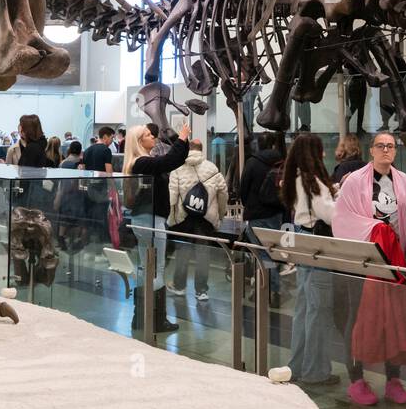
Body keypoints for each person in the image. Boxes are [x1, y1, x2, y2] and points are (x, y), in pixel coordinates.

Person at [334, 131, 406, 405]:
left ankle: (393, 378)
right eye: (380, 146)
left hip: (395, 262)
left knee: (393, 319)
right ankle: (356, 378)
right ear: (371, 150)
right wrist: (377, 230)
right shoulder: (355, 181)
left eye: (390, 146)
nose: (385, 150)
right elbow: (342, 219)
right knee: (358, 319)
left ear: (395, 151)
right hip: (364, 262)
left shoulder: (403, 180)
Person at [280, 133, 338, 387]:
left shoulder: (294, 179)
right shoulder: (313, 181)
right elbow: (329, 215)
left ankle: (298, 365)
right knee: (318, 310)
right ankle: (316, 370)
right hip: (317, 245)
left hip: (302, 240)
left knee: (304, 308)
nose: (324, 153)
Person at [123, 121, 191, 333]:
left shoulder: (140, 163)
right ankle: (155, 318)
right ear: (139, 141)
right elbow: (170, 160)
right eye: (147, 135)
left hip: (147, 220)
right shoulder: (142, 163)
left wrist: (183, 141)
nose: (152, 137)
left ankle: (142, 317)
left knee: (147, 269)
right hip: (150, 221)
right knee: (156, 271)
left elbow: (171, 161)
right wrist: (181, 138)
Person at [167, 139, 229, 302]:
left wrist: (173, 219)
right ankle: (201, 290)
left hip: (183, 218)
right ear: (202, 150)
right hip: (206, 219)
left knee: (183, 252)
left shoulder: (177, 169)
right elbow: (223, 194)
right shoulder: (212, 168)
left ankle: (179, 286)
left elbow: (173, 197)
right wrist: (219, 216)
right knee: (203, 253)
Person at [239, 131, 287, 306]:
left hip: (256, 215)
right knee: (273, 252)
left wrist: (249, 206)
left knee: (263, 254)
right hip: (277, 214)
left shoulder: (252, 163)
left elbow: (243, 189)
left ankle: (271, 290)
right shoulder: (282, 162)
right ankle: (267, 288)